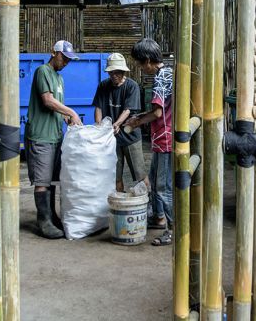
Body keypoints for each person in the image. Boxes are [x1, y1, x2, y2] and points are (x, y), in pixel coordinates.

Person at [25, 40, 83, 239]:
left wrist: (67, 118)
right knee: (42, 181)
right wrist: (72, 112)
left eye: (69, 60)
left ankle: (51, 216)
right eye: (63, 58)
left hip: (55, 136)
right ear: (53, 53)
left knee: (51, 180)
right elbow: (48, 101)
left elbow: (58, 108)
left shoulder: (59, 79)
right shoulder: (43, 71)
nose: (66, 62)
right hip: (41, 136)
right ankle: (44, 221)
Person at [124, 38, 173, 246]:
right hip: (162, 137)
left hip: (166, 139)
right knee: (154, 180)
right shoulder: (169, 72)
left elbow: (158, 112)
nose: (141, 69)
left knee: (163, 187)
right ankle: (158, 217)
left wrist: (136, 122)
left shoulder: (161, 78)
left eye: (139, 64)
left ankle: (172, 230)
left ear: (147, 61)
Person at [93, 53, 149, 193]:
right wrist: (98, 126)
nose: (114, 75)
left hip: (131, 138)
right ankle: (118, 206)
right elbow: (98, 107)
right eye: (111, 72)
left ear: (123, 72)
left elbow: (128, 110)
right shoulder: (103, 86)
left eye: (117, 72)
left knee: (140, 175)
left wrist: (117, 124)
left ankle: (148, 203)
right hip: (111, 139)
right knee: (115, 177)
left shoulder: (132, 86)